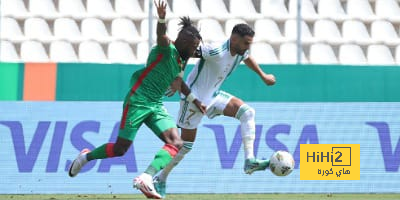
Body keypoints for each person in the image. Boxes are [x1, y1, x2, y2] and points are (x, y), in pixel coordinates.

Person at [68, 0, 205, 199]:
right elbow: (161, 35)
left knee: (176, 142)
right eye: (193, 47)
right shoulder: (167, 49)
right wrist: (161, 18)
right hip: (138, 101)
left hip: (156, 105)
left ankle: (146, 178)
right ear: (184, 43)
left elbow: (178, 80)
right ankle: (86, 157)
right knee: (120, 149)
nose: (195, 51)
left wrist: (194, 99)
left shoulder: (182, 59)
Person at [153, 23, 276, 198]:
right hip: (193, 100)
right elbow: (183, 51)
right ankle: (160, 177)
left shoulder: (240, 51)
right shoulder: (215, 51)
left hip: (213, 96)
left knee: (247, 112)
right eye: (246, 43)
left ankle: (249, 161)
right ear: (234, 39)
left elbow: (247, 57)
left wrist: (263, 75)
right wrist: (177, 78)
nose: (248, 47)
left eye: (250, 43)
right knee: (185, 146)